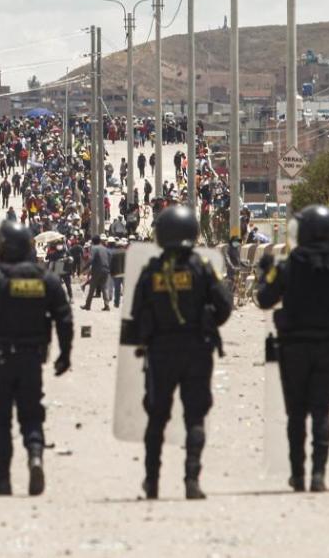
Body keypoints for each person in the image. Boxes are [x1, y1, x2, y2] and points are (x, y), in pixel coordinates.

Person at [129, 206, 232, 500]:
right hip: (197, 349)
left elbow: (136, 315)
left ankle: (152, 482)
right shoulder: (201, 267)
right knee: (195, 417)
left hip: (161, 352)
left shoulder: (151, 271)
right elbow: (224, 305)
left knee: (157, 418)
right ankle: (191, 479)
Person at [0, 220, 73, 496]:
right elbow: (64, 316)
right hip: (32, 358)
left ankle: (3, 479)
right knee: (31, 413)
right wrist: (65, 354)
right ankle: (35, 455)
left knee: (1, 419)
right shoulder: (44, 278)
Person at [255, 205, 329, 493]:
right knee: (322, 412)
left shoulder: (289, 266)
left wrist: (265, 275)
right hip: (328, 347)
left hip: (293, 347)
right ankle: (319, 476)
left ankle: (298, 475)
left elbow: (264, 299)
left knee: (296, 413)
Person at [81, 235, 111, 312]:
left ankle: (87, 305)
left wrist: (85, 267)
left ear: (93, 242)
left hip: (97, 270)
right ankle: (106, 305)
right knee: (104, 288)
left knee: (92, 288)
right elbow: (110, 257)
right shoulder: (105, 248)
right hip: (106, 269)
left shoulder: (94, 248)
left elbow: (91, 259)